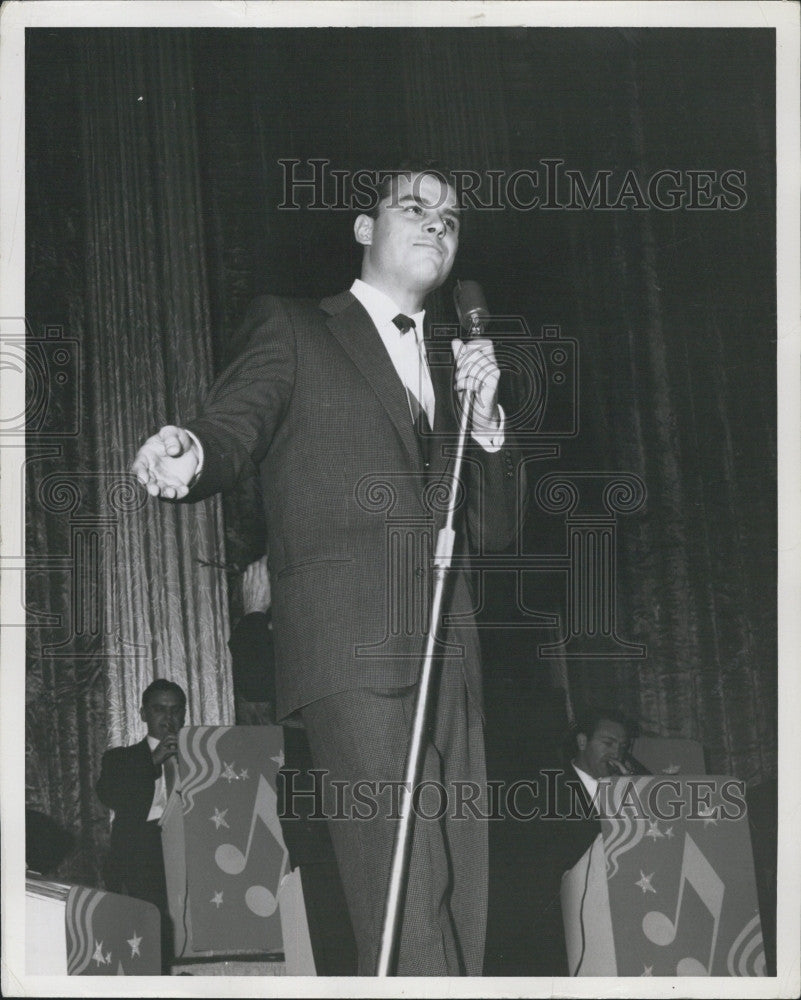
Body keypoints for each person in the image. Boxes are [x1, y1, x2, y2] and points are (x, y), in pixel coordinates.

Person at [132, 165, 520, 975]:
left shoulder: (456, 369)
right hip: (352, 637)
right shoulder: (297, 326)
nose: (437, 224)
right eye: (413, 206)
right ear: (361, 227)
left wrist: (485, 431)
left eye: (451, 218)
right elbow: (236, 421)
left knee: (458, 877)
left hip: (452, 647)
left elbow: (497, 530)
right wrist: (194, 450)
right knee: (402, 876)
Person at [230, 555, 357, 975]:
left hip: (331, 785)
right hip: (331, 784)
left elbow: (256, 679)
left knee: (338, 926)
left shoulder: (328, 615)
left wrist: (252, 613)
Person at [96, 678, 186, 972]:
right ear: (143, 713)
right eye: (159, 709)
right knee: (148, 935)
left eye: (175, 710)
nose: (168, 717)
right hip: (141, 856)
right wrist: (153, 761)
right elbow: (110, 794)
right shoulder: (120, 759)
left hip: (187, 850)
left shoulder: (200, 756)